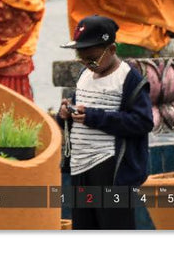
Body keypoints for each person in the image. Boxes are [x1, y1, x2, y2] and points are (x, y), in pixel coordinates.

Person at [57, 15, 153, 230]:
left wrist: (94, 117)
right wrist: (65, 114)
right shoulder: (85, 75)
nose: (86, 63)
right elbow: (77, 111)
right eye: (81, 57)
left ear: (111, 49)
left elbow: (143, 122)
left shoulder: (129, 79)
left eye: (91, 58)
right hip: (80, 165)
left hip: (111, 168)